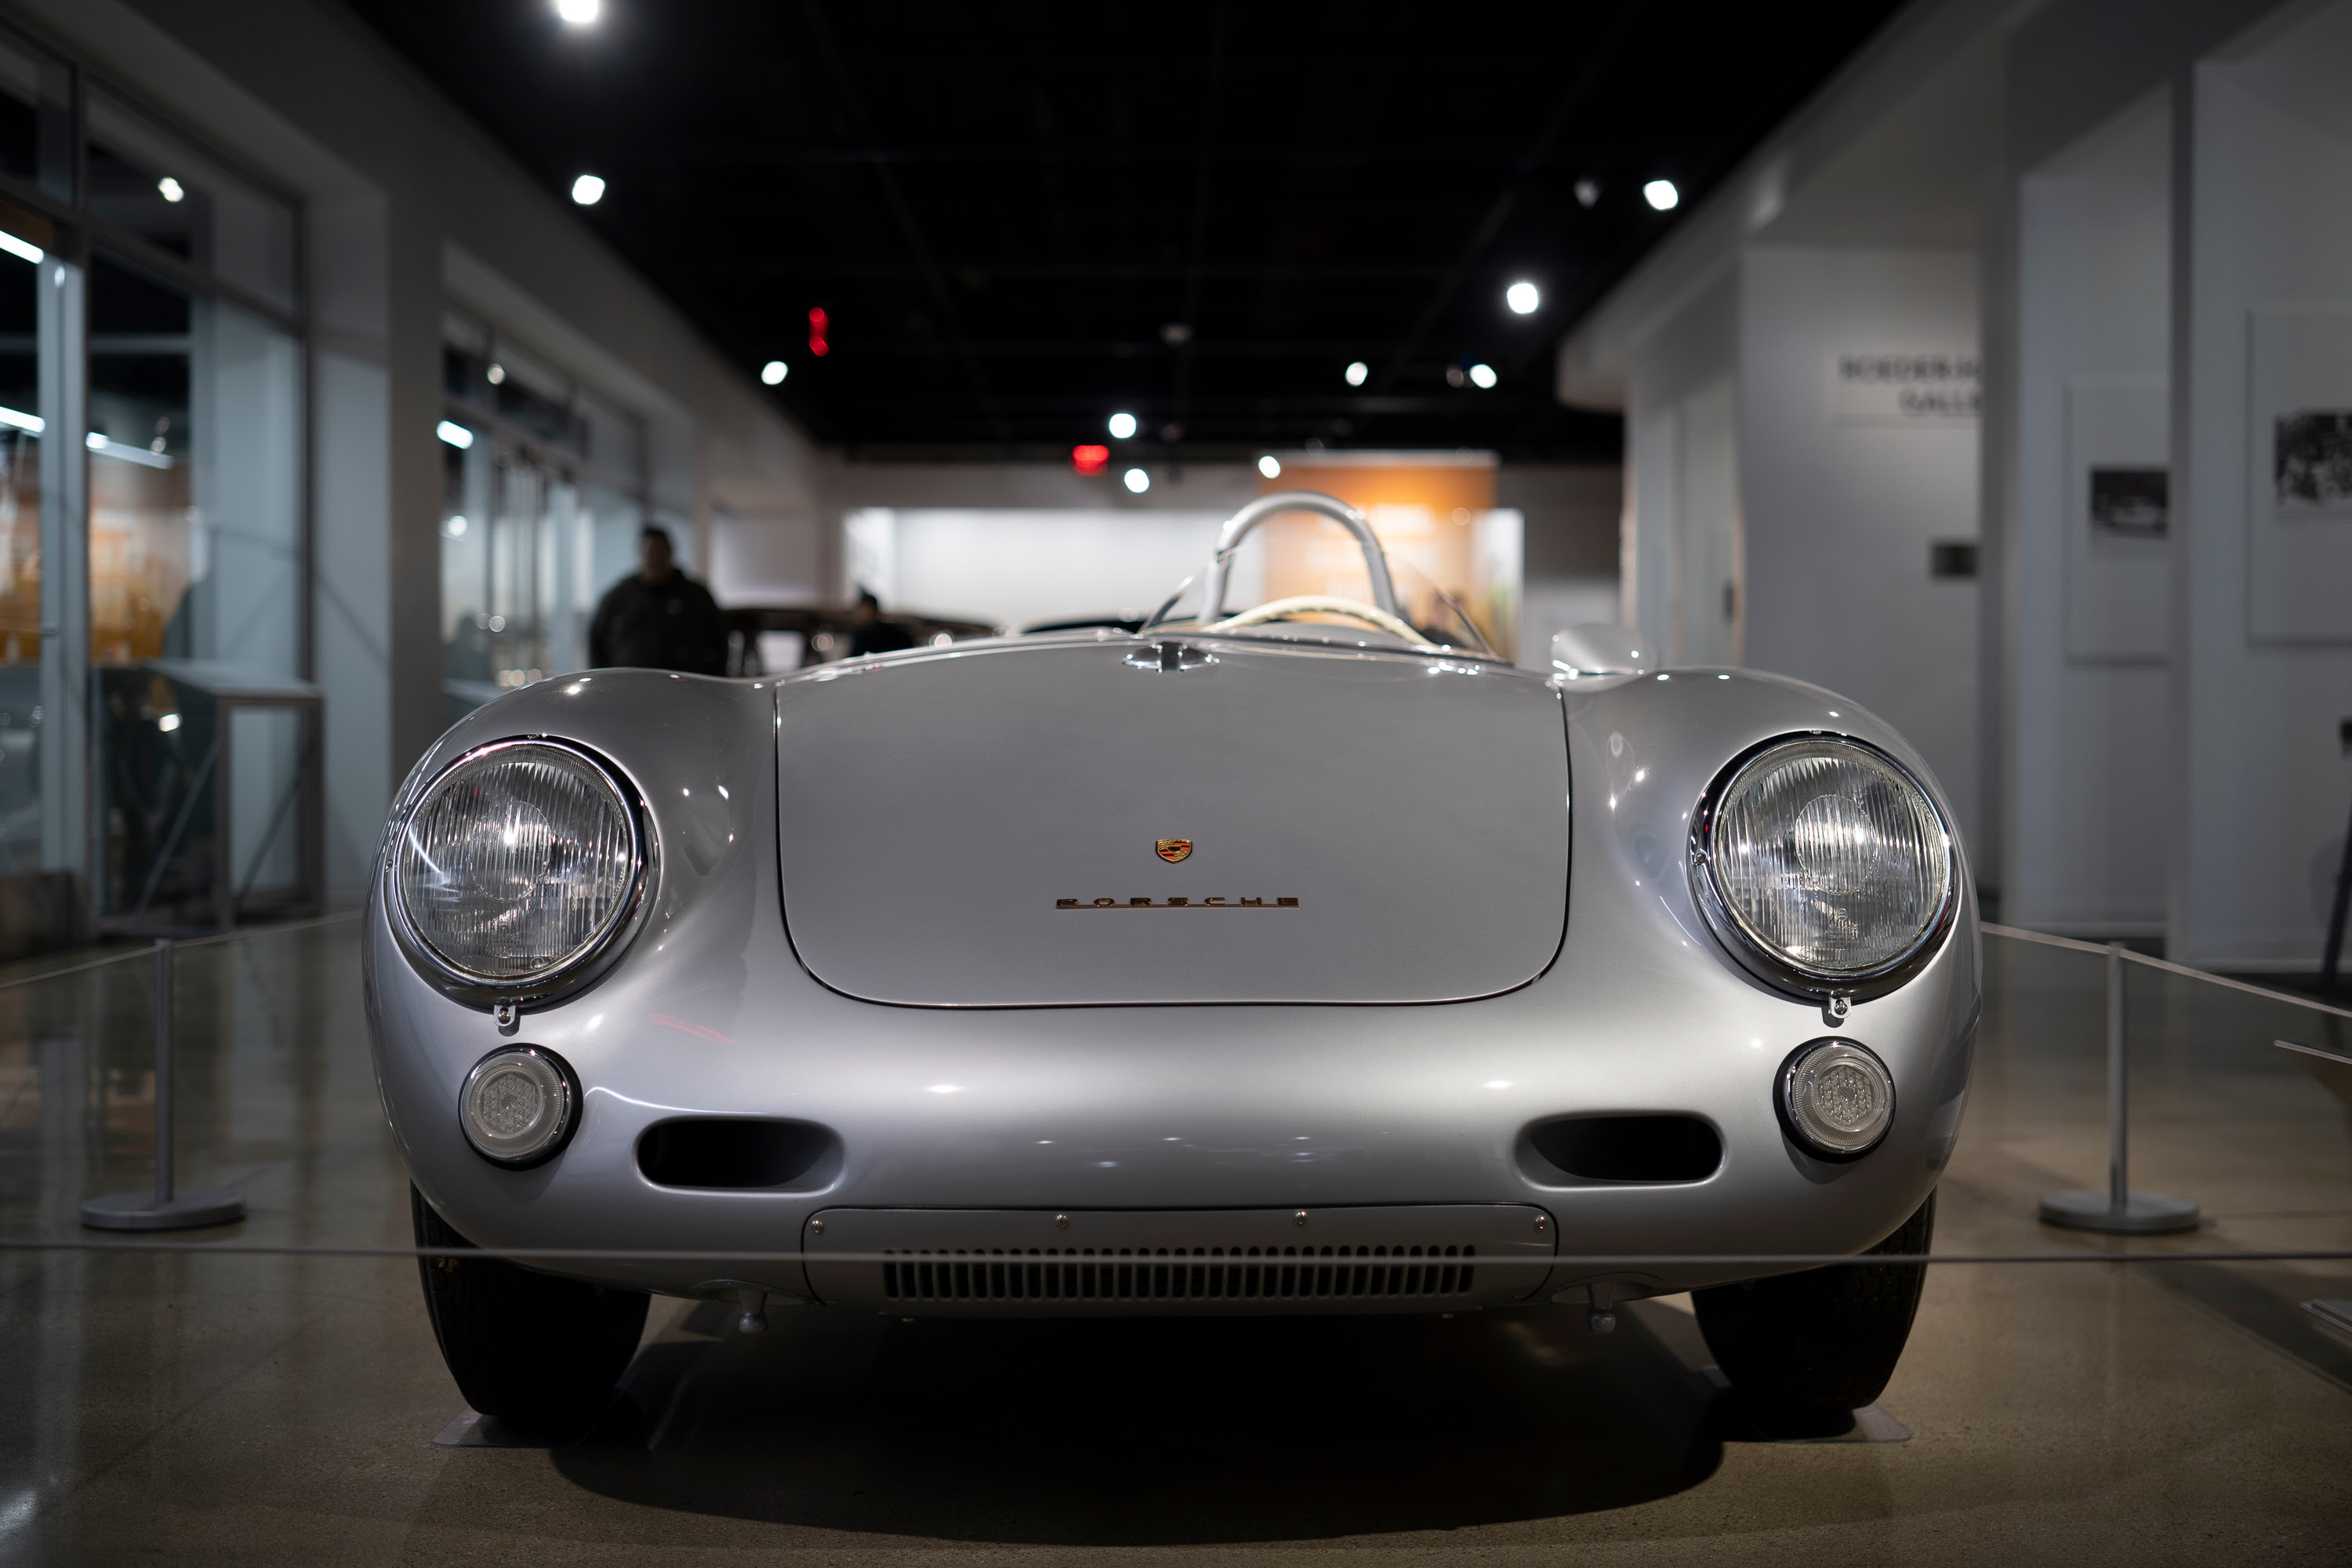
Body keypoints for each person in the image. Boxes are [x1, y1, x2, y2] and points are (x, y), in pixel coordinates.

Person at [588, 526, 728, 674]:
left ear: (670, 553)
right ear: (641, 555)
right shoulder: (619, 596)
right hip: (630, 687)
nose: (655, 558)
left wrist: (714, 680)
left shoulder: (696, 596)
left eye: (660, 552)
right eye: (649, 552)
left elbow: (720, 640)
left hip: (686, 686)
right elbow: (596, 640)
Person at [845, 590, 915, 657]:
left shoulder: (863, 636)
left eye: (863, 611)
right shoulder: (900, 633)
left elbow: (852, 660)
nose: (859, 615)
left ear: (875, 611)